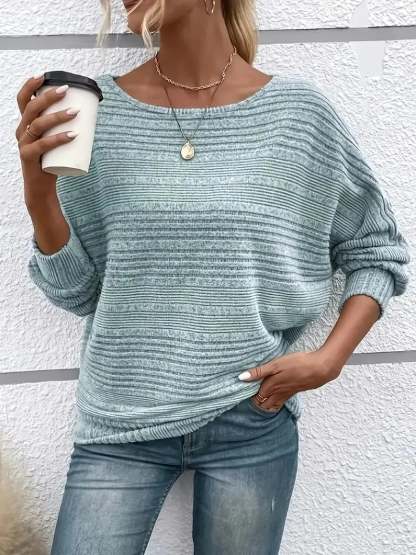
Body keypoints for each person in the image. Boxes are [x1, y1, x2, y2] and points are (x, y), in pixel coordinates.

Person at [16, 1, 410, 553]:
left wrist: (329, 359)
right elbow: (78, 292)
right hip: (120, 419)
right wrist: (39, 194)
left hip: (250, 416)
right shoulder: (95, 112)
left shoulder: (299, 115)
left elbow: (376, 247)